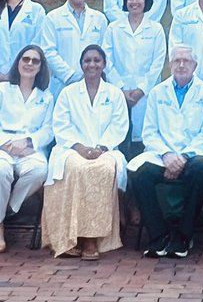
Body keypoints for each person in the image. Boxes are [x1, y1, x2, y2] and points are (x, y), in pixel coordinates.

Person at [127, 45, 203, 259]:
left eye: (186, 61)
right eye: (177, 61)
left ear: (195, 65)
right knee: (139, 172)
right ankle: (158, 235)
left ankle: (183, 236)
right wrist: (167, 155)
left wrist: (184, 157)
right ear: (170, 65)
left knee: (202, 169)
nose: (181, 65)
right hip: (162, 155)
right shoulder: (157, 92)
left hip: (193, 155)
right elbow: (150, 132)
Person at [43, 44, 129, 260]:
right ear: (81, 65)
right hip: (71, 148)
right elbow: (61, 125)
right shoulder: (68, 93)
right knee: (76, 168)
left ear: (104, 64)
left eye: (97, 60)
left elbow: (119, 126)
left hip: (105, 150)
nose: (92, 64)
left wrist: (101, 148)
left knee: (105, 169)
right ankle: (71, 235)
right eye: (87, 60)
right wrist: (79, 147)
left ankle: (91, 238)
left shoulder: (114, 94)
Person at [0, 44, 55, 253]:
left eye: (35, 61)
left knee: (40, 171)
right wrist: (8, 145)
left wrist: (28, 142)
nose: (29, 64)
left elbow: (48, 130)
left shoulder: (46, 97)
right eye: (25, 59)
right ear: (18, 62)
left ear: (41, 67)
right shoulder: (0, 90)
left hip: (29, 148)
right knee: (1, 170)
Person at [102, 0, 167, 151]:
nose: (134, 1)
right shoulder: (113, 28)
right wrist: (120, 88)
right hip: (119, 90)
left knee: (142, 138)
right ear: (125, 1)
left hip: (145, 93)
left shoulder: (156, 29)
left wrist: (141, 89)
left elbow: (158, 63)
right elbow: (106, 60)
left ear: (146, 1)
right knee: (118, 138)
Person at [43, 0, 109, 97]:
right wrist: (71, 76)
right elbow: (48, 51)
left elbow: (104, 52)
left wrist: (91, 76)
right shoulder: (52, 18)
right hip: (62, 84)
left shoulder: (100, 19)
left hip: (92, 84)